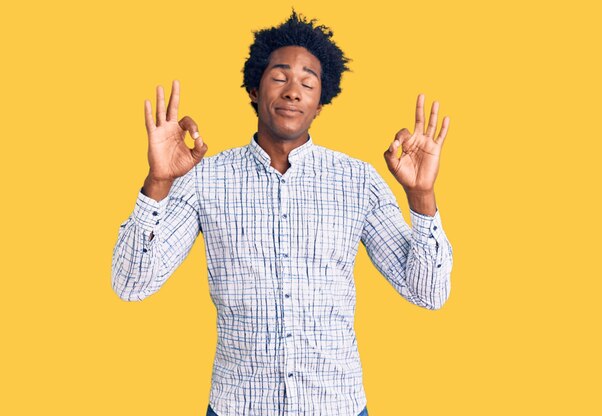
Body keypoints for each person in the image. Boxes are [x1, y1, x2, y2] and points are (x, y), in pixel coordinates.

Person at [112, 10, 453, 416]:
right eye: (280, 77)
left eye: (308, 82)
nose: (294, 91)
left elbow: (428, 294)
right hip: (237, 407)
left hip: (337, 405)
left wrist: (422, 197)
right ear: (254, 89)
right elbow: (130, 284)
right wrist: (158, 183)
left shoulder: (359, 181)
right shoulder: (205, 179)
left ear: (320, 104)